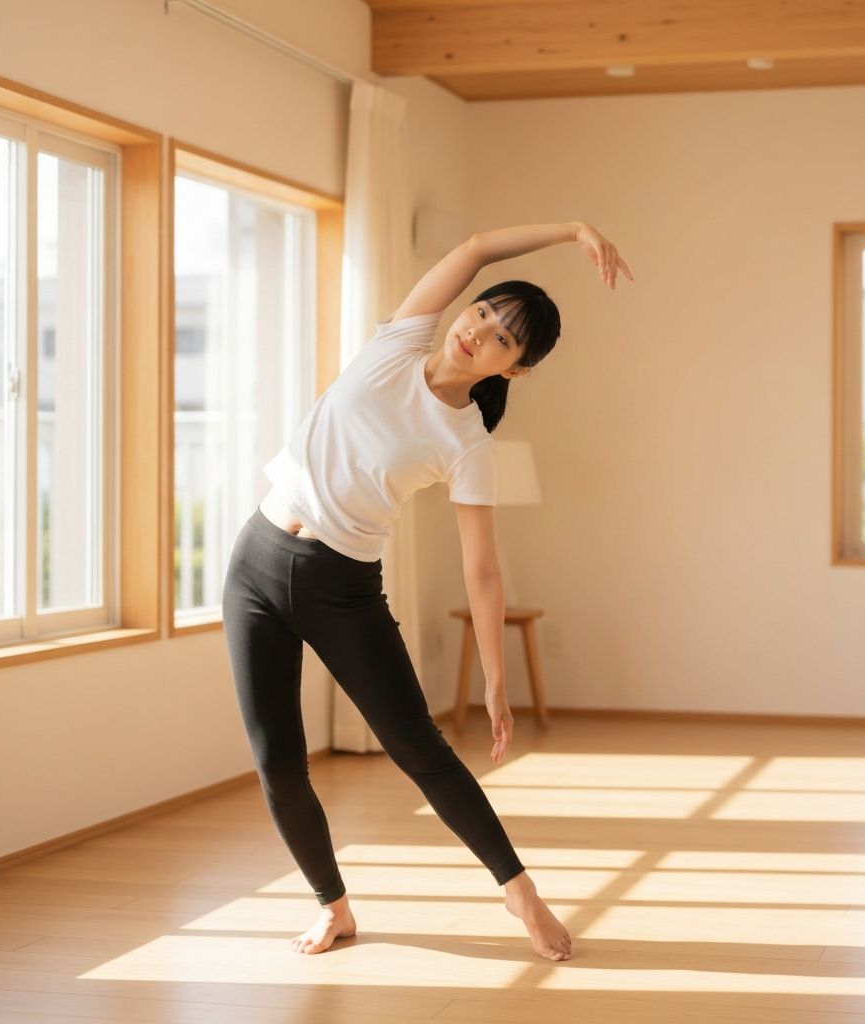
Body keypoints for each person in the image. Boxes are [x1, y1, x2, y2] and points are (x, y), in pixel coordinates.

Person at [221, 220, 633, 962]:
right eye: (483, 312)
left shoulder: (469, 441)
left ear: (516, 370)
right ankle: (333, 906)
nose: (481, 331)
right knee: (277, 760)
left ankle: (520, 893)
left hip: (341, 587)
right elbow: (476, 248)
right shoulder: (399, 343)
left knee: (420, 749)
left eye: (505, 338)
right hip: (254, 562)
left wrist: (496, 681)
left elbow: (482, 568)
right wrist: (573, 228)